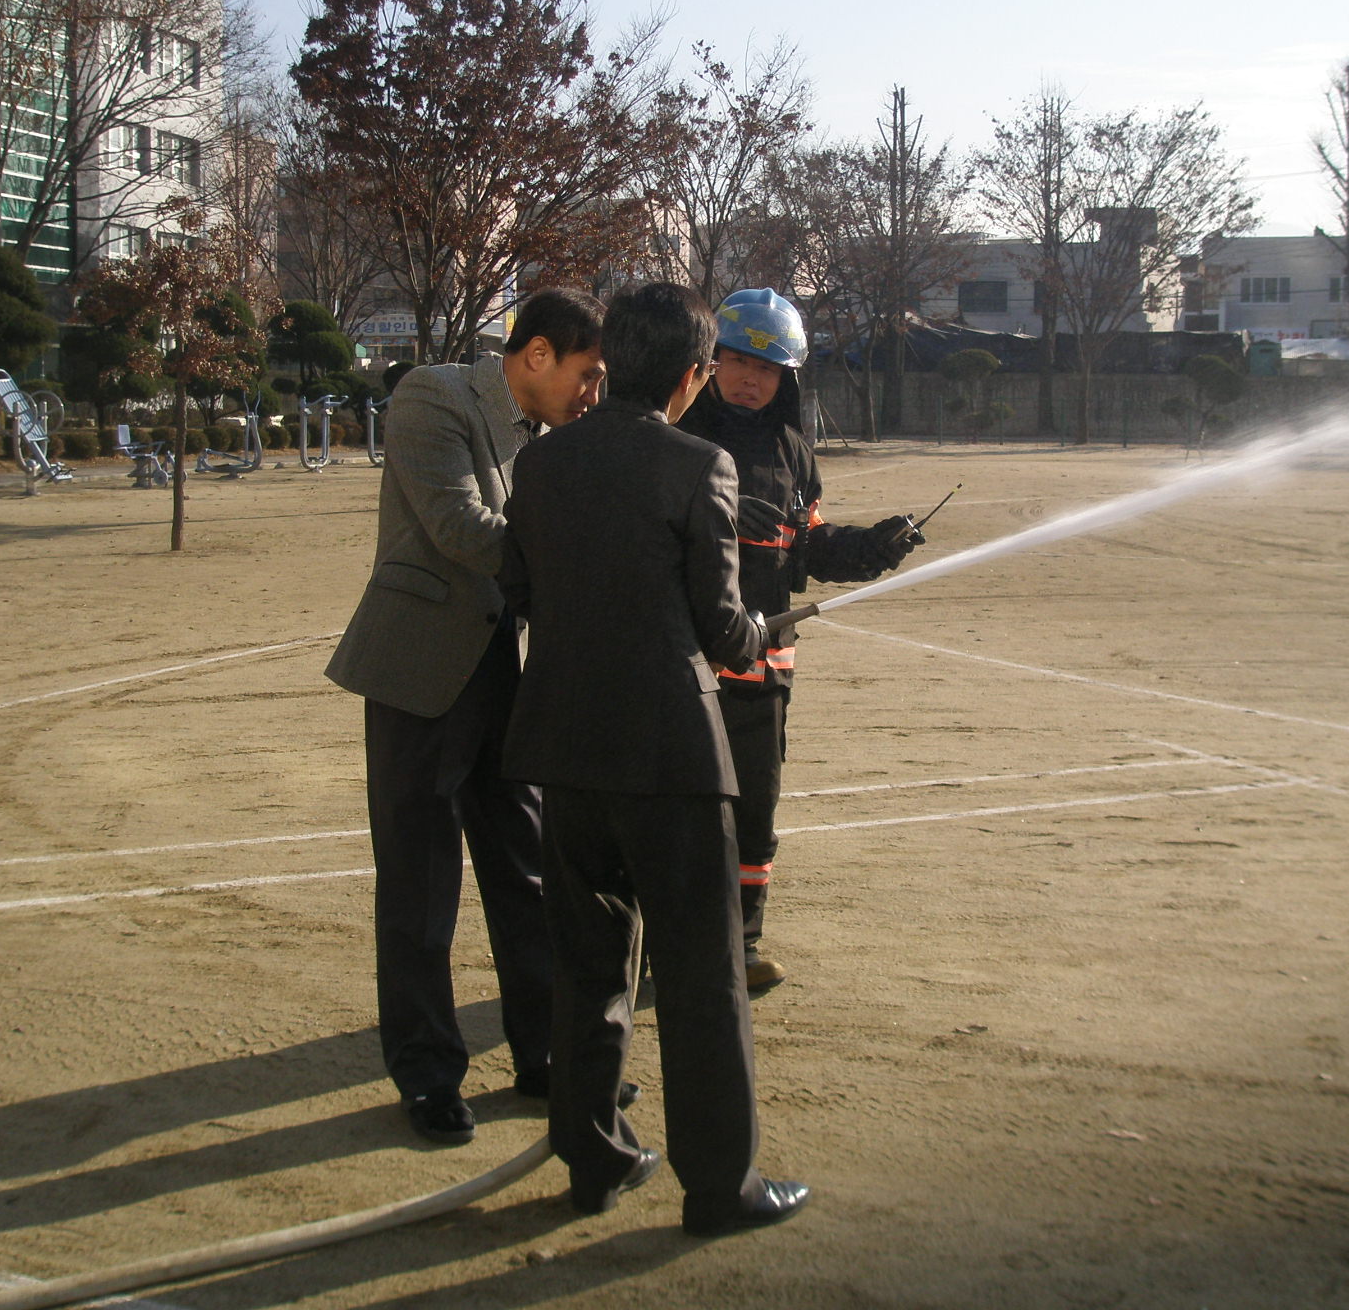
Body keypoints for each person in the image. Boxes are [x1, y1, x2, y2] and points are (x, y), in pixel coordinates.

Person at [498, 280, 810, 1238]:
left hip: (564, 747)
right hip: (671, 755)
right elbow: (722, 629)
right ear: (691, 376)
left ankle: (592, 1159)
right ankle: (720, 1187)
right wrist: (762, 630)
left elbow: (518, 590)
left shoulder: (541, 462)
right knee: (702, 976)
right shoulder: (700, 463)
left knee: (588, 967)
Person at [324, 287, 606, 1146]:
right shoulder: (432, 395)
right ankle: (428, 1075)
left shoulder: (553, 433)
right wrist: (587, 565)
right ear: (537, 355)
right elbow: (460, 527)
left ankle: (546, 1055)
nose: (592, 394)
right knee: (420, 886)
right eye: (587, 375)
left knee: (527, 870)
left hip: (502, 674)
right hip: (416, 672)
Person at [676, 287, 925, 995]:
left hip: (765, 672)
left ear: (787, 377)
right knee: (681, 816)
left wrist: (870, 548)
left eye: (768, 367)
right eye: (738, 360)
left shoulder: (793, 450)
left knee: (755, 816)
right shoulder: (679, 433)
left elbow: (806, 545)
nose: (750, 378)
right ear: (711, 360)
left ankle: (741, 945)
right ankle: (667, 947)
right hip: (688, 669)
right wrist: (719, 513)